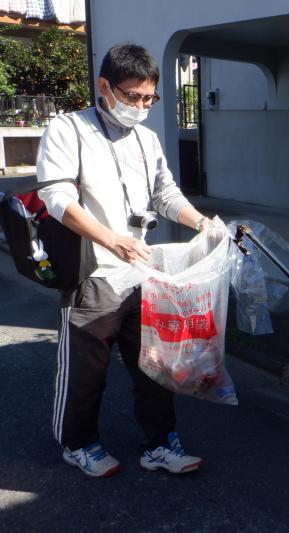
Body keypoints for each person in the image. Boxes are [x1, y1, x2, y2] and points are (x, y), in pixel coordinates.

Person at [36, 43, 213, 478]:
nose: (140, 106)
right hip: (92, 271)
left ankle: (159, 443)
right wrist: (110, 238)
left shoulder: (147, 139)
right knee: (86, 369)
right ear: (104, 86)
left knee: (153, 364)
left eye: (148, 98)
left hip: (142, 270)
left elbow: (165, 195)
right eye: (131, 96)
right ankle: (77, 444)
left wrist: (203, 223)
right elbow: (55, 197)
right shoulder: (69, 129)